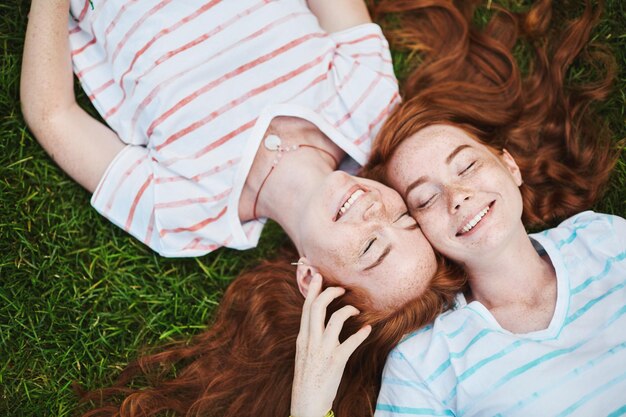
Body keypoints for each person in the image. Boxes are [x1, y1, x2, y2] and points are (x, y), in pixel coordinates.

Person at [292, 0, 624, 416]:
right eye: (425, 199)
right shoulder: (425, 363)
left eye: (466, 165)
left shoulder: (603, 238)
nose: (458, 196)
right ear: (425, 238)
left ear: (509, 165)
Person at [20, 0, 439, 308]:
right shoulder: (371, 105)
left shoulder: (183, 216)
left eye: (370, 248)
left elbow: (52, 114)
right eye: (404, 218)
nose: (375, 211)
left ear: (312, 279)